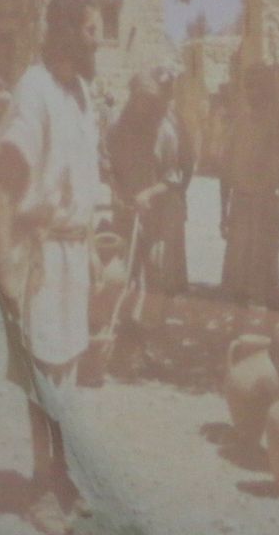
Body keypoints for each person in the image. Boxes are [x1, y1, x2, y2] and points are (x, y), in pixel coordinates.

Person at [0, 0, 100, 522]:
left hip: (73, 254)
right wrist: (3, 262)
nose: (98, 42)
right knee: (43, 377)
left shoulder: (81, 95)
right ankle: (41, 487)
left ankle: (63, 475)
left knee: (67, 373)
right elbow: (1, 177)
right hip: (42, 254)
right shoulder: (35, 90)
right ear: (68, 33)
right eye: (92, 31)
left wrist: (90, 247)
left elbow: (82, 179)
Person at [105, 66, 194, 366]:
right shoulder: (116, 127)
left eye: (149, 102)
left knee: (157, 276)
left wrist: (148, 194)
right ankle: (125, 338)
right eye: (139, 100)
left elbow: (174, 178)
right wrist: (117, 190)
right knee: (124, 275)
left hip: (159, 215)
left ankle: (155, 338)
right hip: (126, 212)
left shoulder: (164, 133)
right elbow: (107, 165)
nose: (143, 107)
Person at [219, 64, 279, 308]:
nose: (251, 92)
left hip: (265, 210)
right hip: (240, 207)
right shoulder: (239, 124)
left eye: (256, 86)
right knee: (237, 277)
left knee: (261, 278)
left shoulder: (277, 127)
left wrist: (278, 203)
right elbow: (226, 170)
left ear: (266, 90)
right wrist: (223, 212)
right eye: (248, 87)